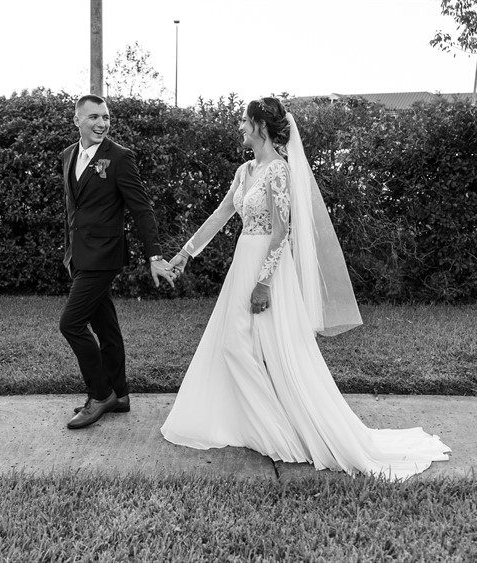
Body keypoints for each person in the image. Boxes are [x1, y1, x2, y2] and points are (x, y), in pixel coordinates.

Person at [162, 98, 450, 480]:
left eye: (245, 122)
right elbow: (221, 214)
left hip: (267, 270)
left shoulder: (278, 171)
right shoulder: (246, 170)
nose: (240, 128)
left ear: (260, 126)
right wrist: (186, 253)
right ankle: (256, 423)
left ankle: (279, 429)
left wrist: (264, 282)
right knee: (236, 345)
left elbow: (283, 232)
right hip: (241, 266)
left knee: (269, 350)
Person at [60, 94, 175, 430]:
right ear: (77, 120)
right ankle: (120, 394)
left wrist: (154, 255)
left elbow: (141, 210)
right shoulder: (68, 155)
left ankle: (100, 394)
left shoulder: (120, 158)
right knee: (106, 326)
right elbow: (74, 209)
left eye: (106, 117)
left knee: (71, 324)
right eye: (94, 117)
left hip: (105, 256)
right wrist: (69, 253)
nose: (102, 123)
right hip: (79, 256)